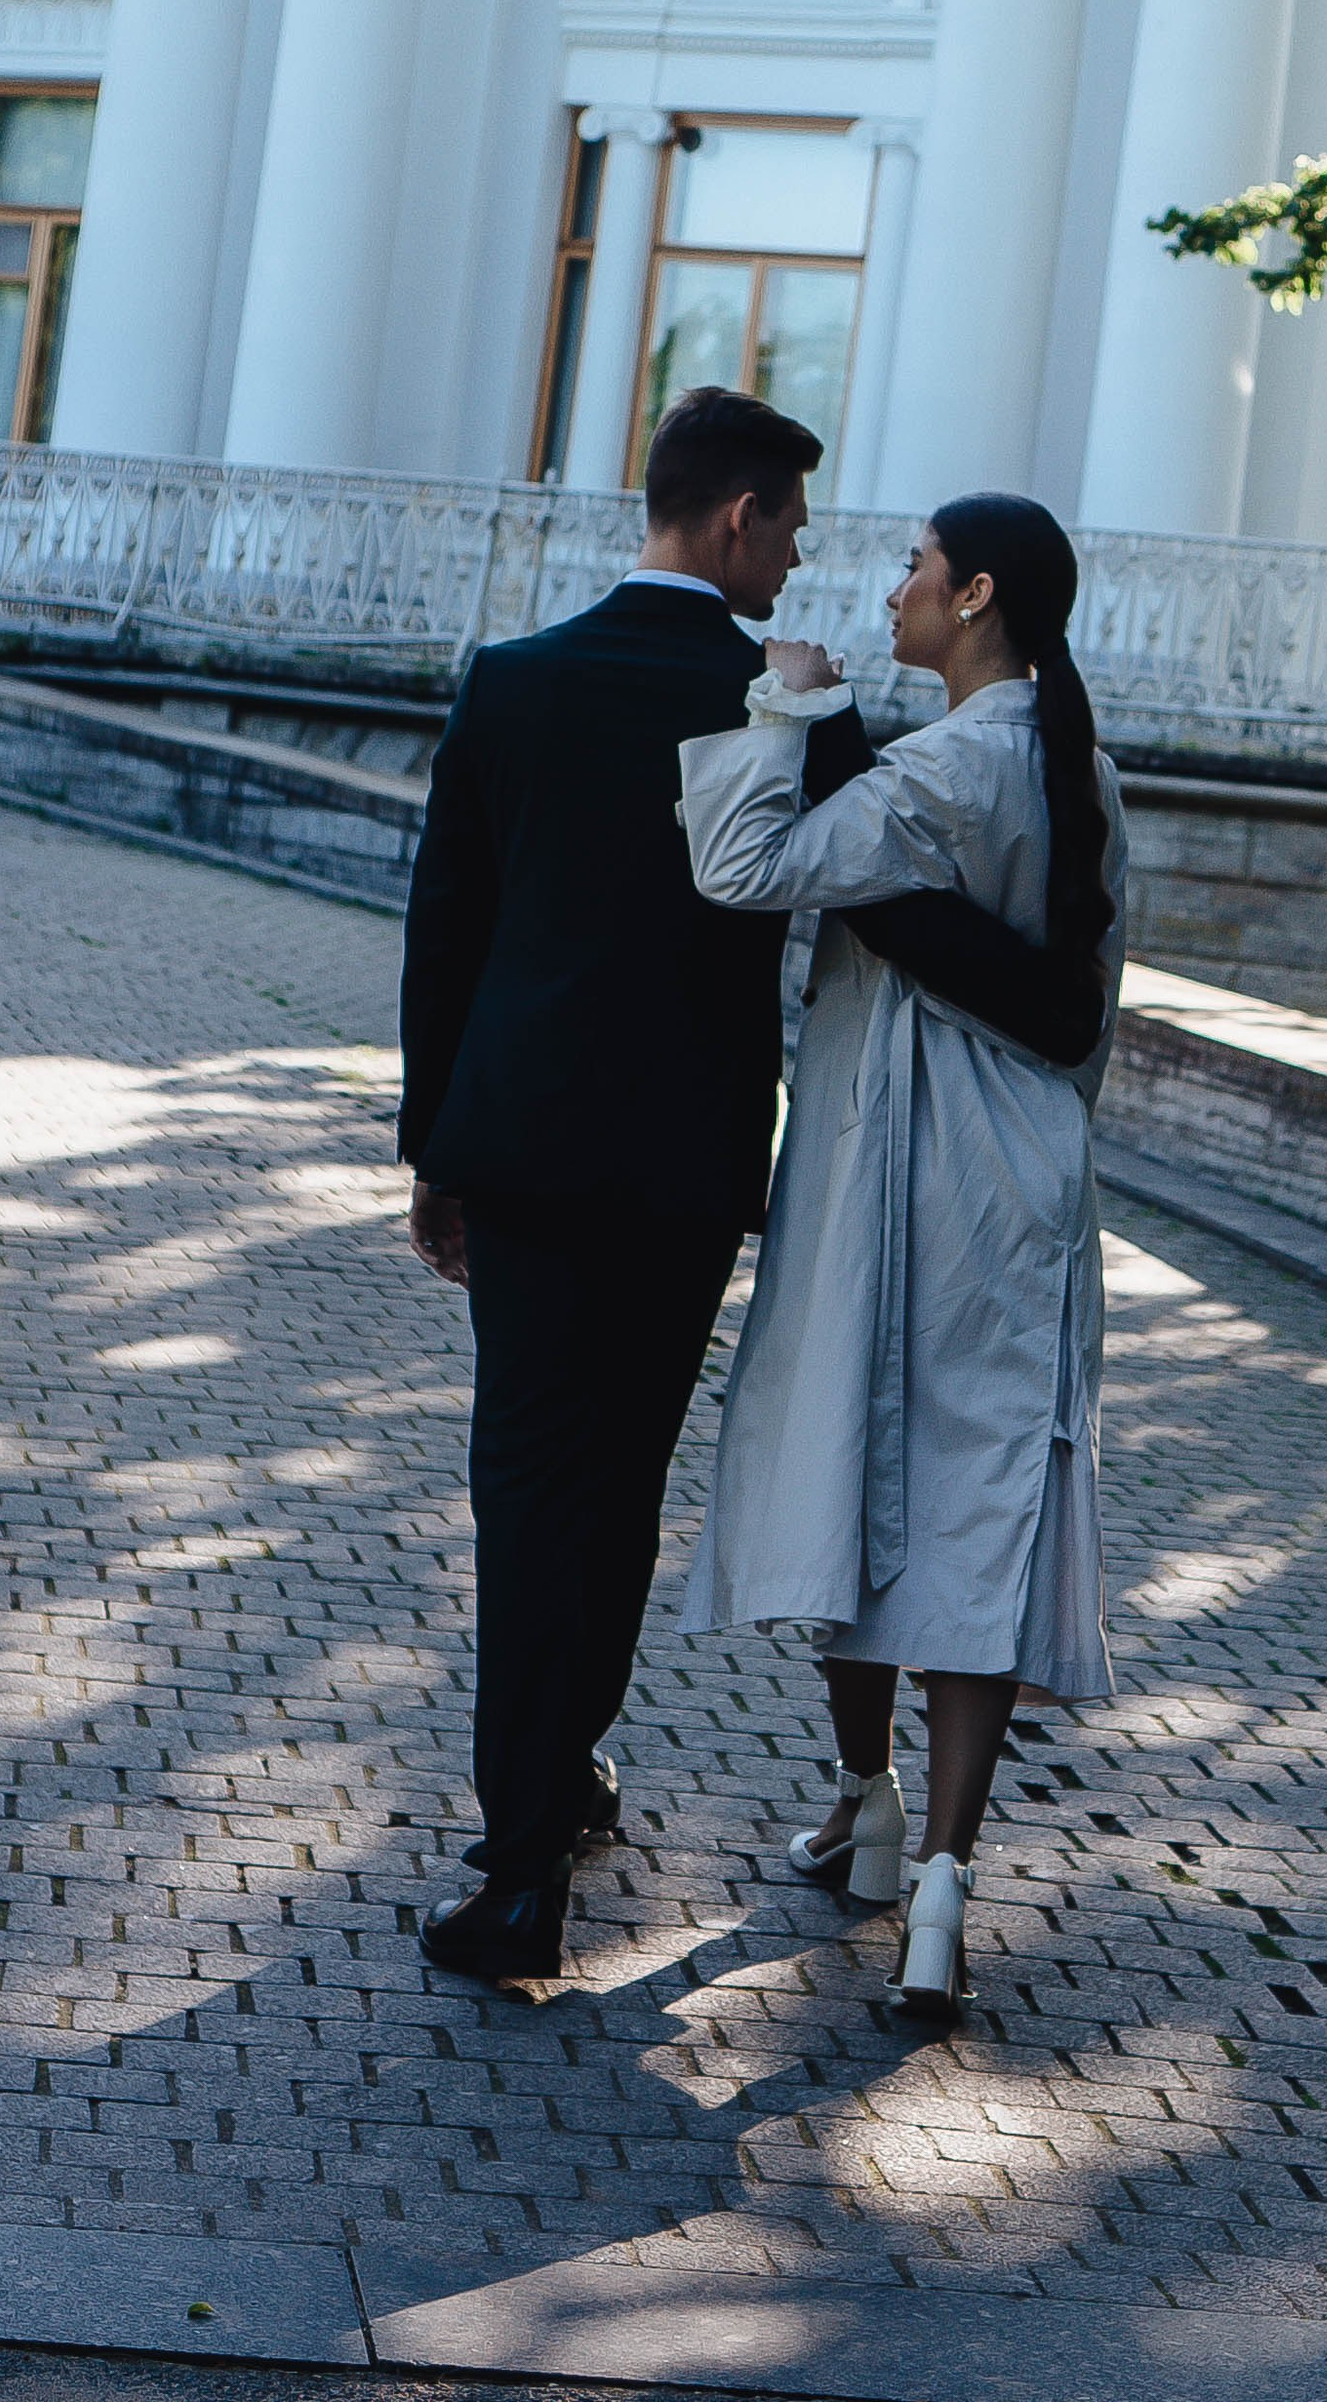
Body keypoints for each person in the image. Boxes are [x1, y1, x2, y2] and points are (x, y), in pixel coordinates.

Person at [395, 389, 1099, 1995]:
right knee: (620, 1495)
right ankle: (559, 1791)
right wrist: (1059, 1006)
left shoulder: (511, 683)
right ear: (735, 519)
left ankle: (520, 1868)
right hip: (683, 1179)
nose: (804, 560)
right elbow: (902, 919)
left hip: (516, 1159)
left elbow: (448, 940)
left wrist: (434, 1147)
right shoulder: (793, 709)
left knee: (525, 1491)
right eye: (790, 525)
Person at [676, 492, 1125, 2026]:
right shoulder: (1082, 773)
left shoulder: (935, 767)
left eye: (916, 571)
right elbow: (1090, 1013)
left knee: (858, 1474)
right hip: (1027, 1184)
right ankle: (937, 1874)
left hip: (894, 1166)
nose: (891, 592)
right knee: (979, 1508)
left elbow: (741, 868)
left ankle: (865, 1800)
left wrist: (784, 704)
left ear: (978, 594)